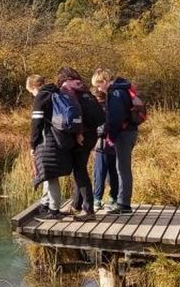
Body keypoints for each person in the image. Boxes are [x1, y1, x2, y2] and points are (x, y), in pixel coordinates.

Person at [58, 67, 104, 220]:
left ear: (64, 78)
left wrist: (78, 134)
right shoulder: (83, 88)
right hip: (92, 134)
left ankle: (88, 209)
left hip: (82, 135)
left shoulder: (69, 89)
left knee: (79, 171)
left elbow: (75, 113)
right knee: (80, 168)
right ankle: (76, 205)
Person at [27, 74, 72, 220]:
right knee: (50, 173)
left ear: (34, 87)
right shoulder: (57, 93)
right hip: (61, 139)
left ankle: (54, 211)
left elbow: (36, 124)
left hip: (47, 140)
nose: (33, 95)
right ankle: (45, 204)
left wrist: (33, 144)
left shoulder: (41, 97)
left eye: (31, 92)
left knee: (51, 175)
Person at [94, 69, 138, 214]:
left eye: (98, 85)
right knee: (122, 168)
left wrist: (110, 137)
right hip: (128, 132)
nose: (98, 89)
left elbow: (115, 118)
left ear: (104, 81)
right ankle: (122, 202)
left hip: (124, 134)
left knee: (122, 169)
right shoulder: (122, 89)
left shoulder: (116, 93)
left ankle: (123, 204)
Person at [91, 69, 119, 211]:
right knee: (113, 172)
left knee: (99, 172)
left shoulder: (101, 106)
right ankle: (113, 198)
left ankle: (97, 200)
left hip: (102, 143)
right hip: (114, 142)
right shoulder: (115, 100)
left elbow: (99, 125)